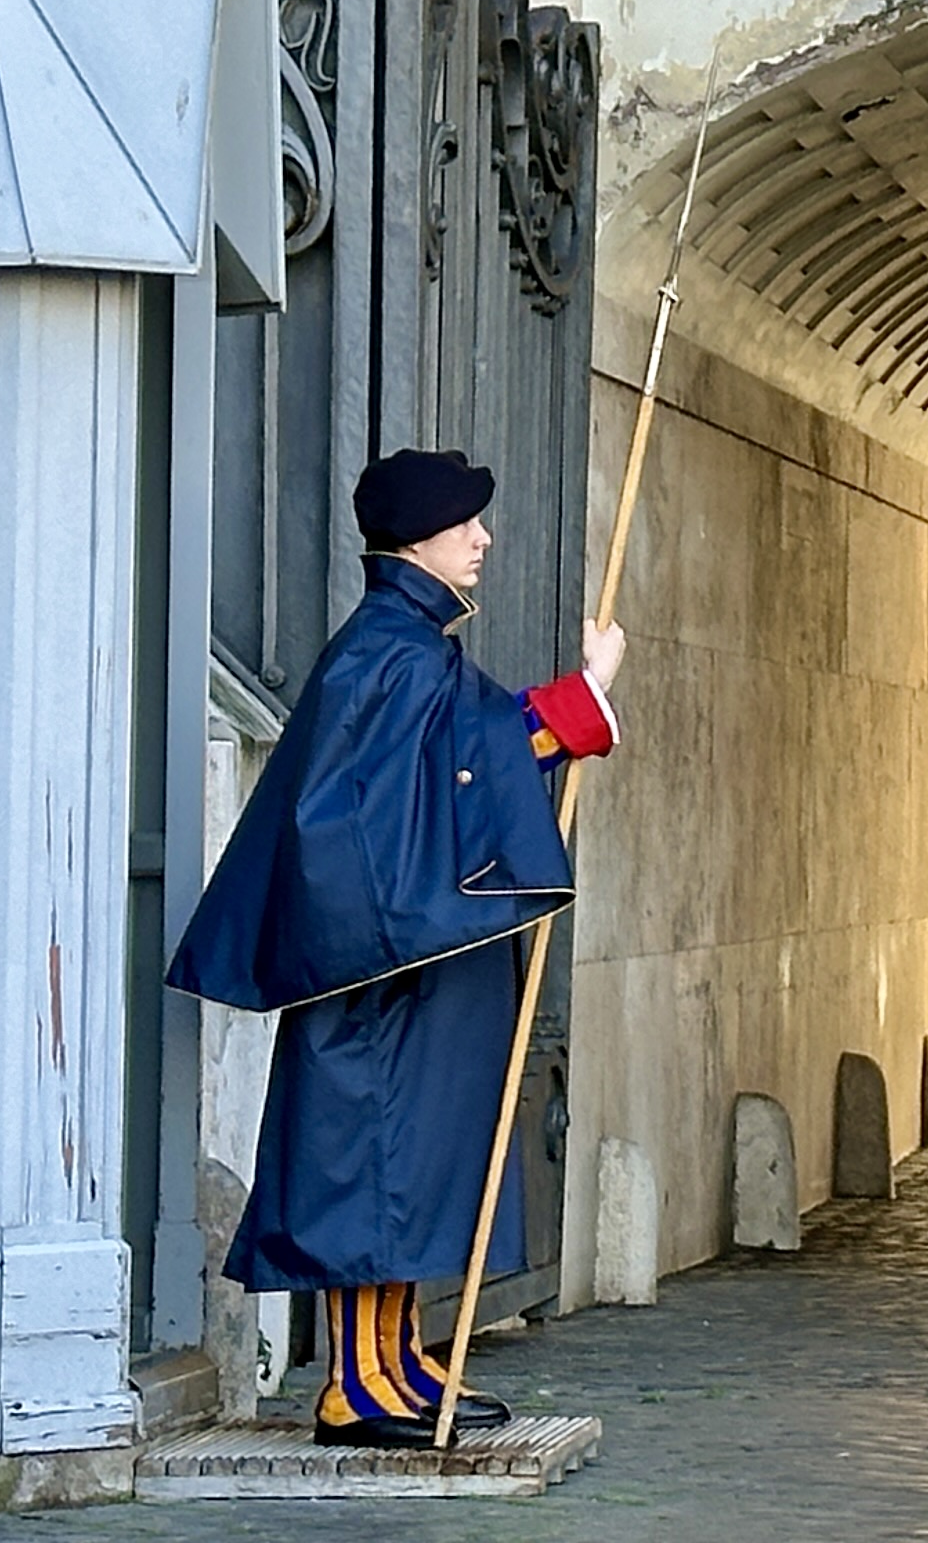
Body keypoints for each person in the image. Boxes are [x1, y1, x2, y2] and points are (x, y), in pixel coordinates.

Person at [171, 450, 625, 1446]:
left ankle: (396, 1362)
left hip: (406, 967)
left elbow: (466, 750)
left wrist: (573, 706)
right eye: (466, 523)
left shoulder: (409, 647)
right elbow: (455, 770)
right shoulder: (389, 651)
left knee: (409, 1167)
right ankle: (354, 1385)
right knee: (371, 1171)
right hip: (378, 975)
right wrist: (583, 698)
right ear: (419, 538)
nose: (483, 539)